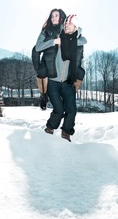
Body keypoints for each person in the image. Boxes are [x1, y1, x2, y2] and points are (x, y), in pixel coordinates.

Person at [33, 9, 86, 142]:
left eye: (57, 15)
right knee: (59, 109)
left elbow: (82, 40)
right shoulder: (52, 34)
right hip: (53, 81)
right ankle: (50, 128)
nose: (54, 18)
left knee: (71, 109)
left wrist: (70, 39)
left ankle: (66, 133)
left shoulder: (71, 37)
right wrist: (54, 42)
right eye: (52, 16)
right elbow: (38, 48)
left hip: (68, 81)